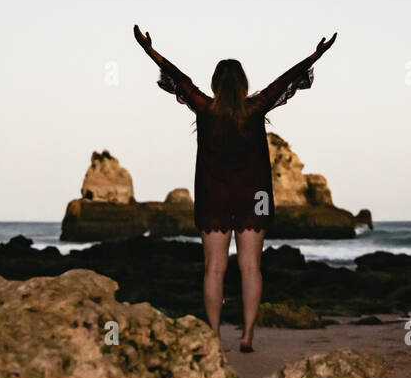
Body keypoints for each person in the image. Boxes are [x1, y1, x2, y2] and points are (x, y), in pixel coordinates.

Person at [134, 24, 336, 352]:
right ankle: (246, 336)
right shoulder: (256, 108)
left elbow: (177, 77)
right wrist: (317, 54)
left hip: (214, 193)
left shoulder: (204, 106)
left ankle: (213, 335)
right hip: (254, 196)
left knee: (214, 268)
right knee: (251, 267)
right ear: (243, 84)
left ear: (215, 83)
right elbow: (286, 80)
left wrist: (148, 50)